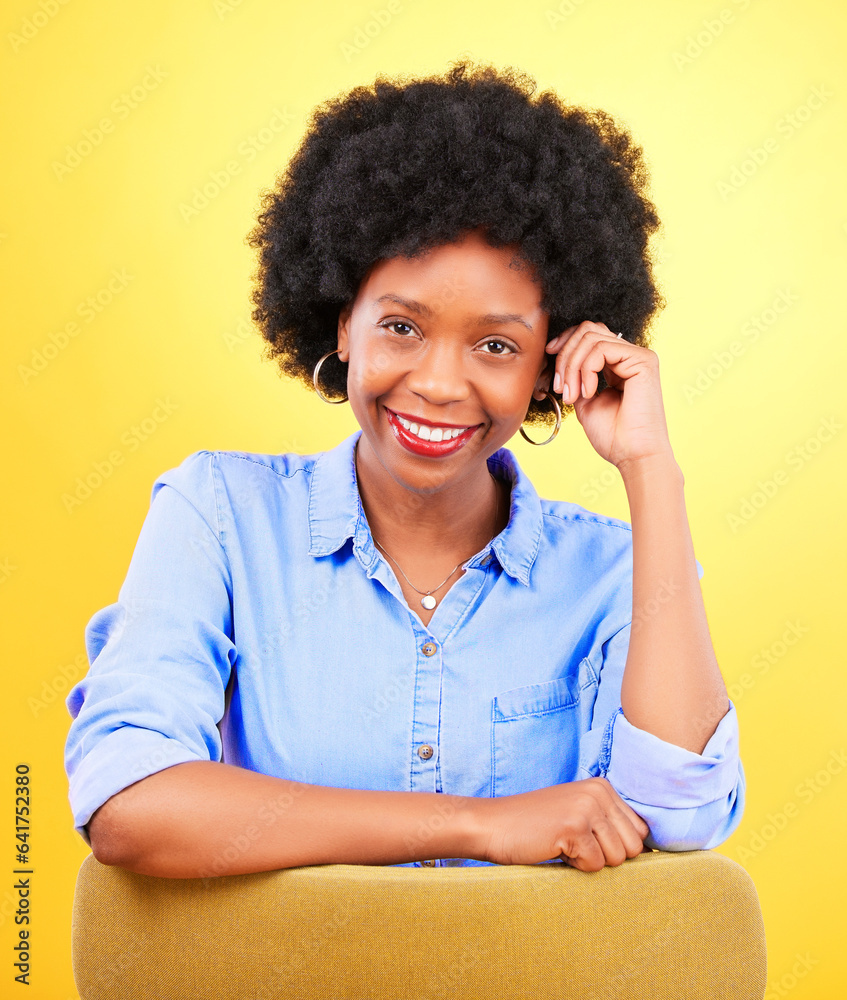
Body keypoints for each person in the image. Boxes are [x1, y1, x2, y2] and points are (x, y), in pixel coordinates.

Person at [64, 61, 744, 878]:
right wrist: (478, 826)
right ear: (342, 321)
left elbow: (680, 816)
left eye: (495, 346)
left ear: (545, 367)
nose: (437, 384)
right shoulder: (219, 514)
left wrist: (651, 469)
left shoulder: (610, 573)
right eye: (401, 328)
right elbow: (131, 806)